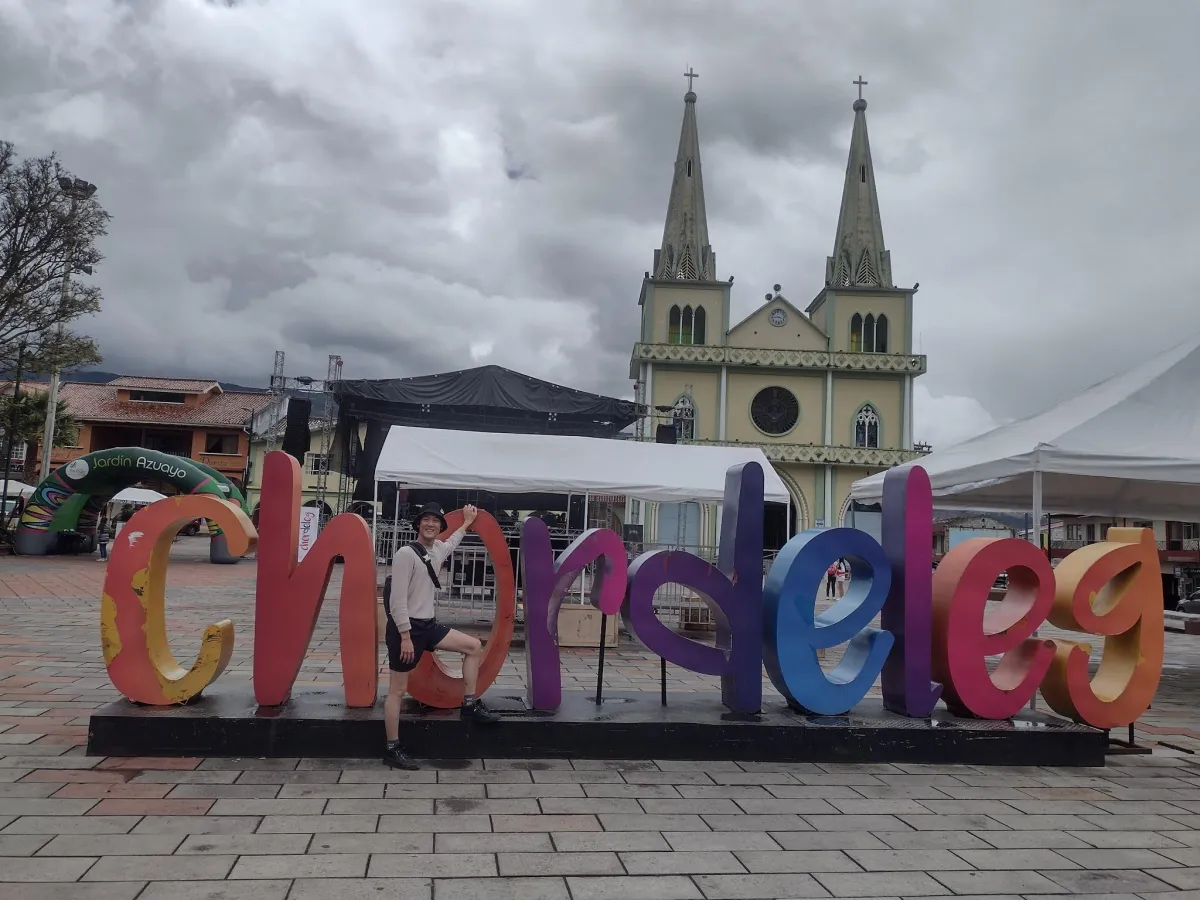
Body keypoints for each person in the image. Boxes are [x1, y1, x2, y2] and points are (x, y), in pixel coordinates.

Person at [383, 502, 500, 770]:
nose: (430, 524)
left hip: (429, 626)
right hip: (406, 628)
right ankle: (392, 747)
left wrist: (467, 523)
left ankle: (469, 704)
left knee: (472, 646)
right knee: (397, 690)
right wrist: (404, 636)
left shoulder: (437, 549)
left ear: (440, 527)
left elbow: (453, 542)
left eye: (435, 521)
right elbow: (396, 601)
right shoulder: (405, 554)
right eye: (425, 520)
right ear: (418, 525)